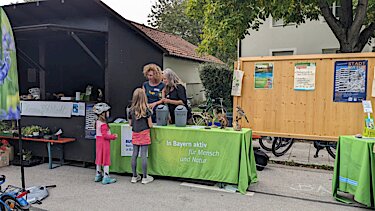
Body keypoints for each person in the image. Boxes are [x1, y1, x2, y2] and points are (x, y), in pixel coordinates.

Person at [128, 88, 154, 184]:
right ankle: (145, 177)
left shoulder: (131, 110)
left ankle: (134, 176)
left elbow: (130, 124)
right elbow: (150, 125)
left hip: (135, 133)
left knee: (134, 154)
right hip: (144, 133)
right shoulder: (147, 110)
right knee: (143, 155)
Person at [93, 102, 118, 185]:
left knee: (99, 159)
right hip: (104, 143)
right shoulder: (103, 124)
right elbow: (105, 136)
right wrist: (113, 136)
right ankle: (106, 177)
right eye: (107, 111)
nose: (108, 113)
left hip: (98, 143)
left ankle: (98, 174)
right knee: (106, 160)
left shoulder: (97, 122)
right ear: (102, 113)